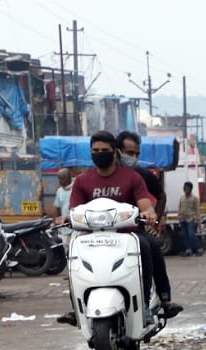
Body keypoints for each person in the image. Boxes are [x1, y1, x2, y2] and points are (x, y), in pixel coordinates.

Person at [56, 130, 181, 326]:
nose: (100, 153)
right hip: (91, 237)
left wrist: (149, 213)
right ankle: (76, 308)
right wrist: (66, 217)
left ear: (114, 152)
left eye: (104, 150)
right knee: (73, 256)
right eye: (95, 150)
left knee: (148, 246)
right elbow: (75, 210)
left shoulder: (133, 177)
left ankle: (147, 304)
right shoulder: (82, 181)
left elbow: (146, 205)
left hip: (128, 234)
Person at [116, 130, 177, 314]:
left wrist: (153, 221)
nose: (132, 158)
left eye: (136, 154)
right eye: (129, 153)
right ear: (117, 151)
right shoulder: (95, 176)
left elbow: (160, 196)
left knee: (151, 247)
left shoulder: (139, 175)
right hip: (101, 230)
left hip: (133, 228)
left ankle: (163, 297)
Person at [177, 182, 203, 257]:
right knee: (185, 235)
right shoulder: (182, 197)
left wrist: (198, 221)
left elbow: (197, 210)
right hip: (182, 219)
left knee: (192, 234)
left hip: (191, 218)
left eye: (187, 188)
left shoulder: (195, 198)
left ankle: (199, 249)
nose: (185, 189)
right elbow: (179, 207)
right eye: (184, 188)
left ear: (190, 189)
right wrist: (178, 217)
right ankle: (188, 250)